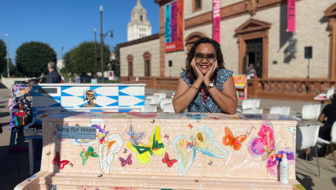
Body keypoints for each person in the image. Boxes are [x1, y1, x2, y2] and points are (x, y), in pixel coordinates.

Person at [173, 37, 238, 113]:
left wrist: (207, 81)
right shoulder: (186, 77)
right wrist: (199, 79)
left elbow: (232, 109)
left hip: (220, 124)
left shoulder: (224, 75)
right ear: (193, 58)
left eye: (210, 56)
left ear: (216, 59)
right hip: (194, 124)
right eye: (199, 56)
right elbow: (177, 107)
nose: (204, 61)